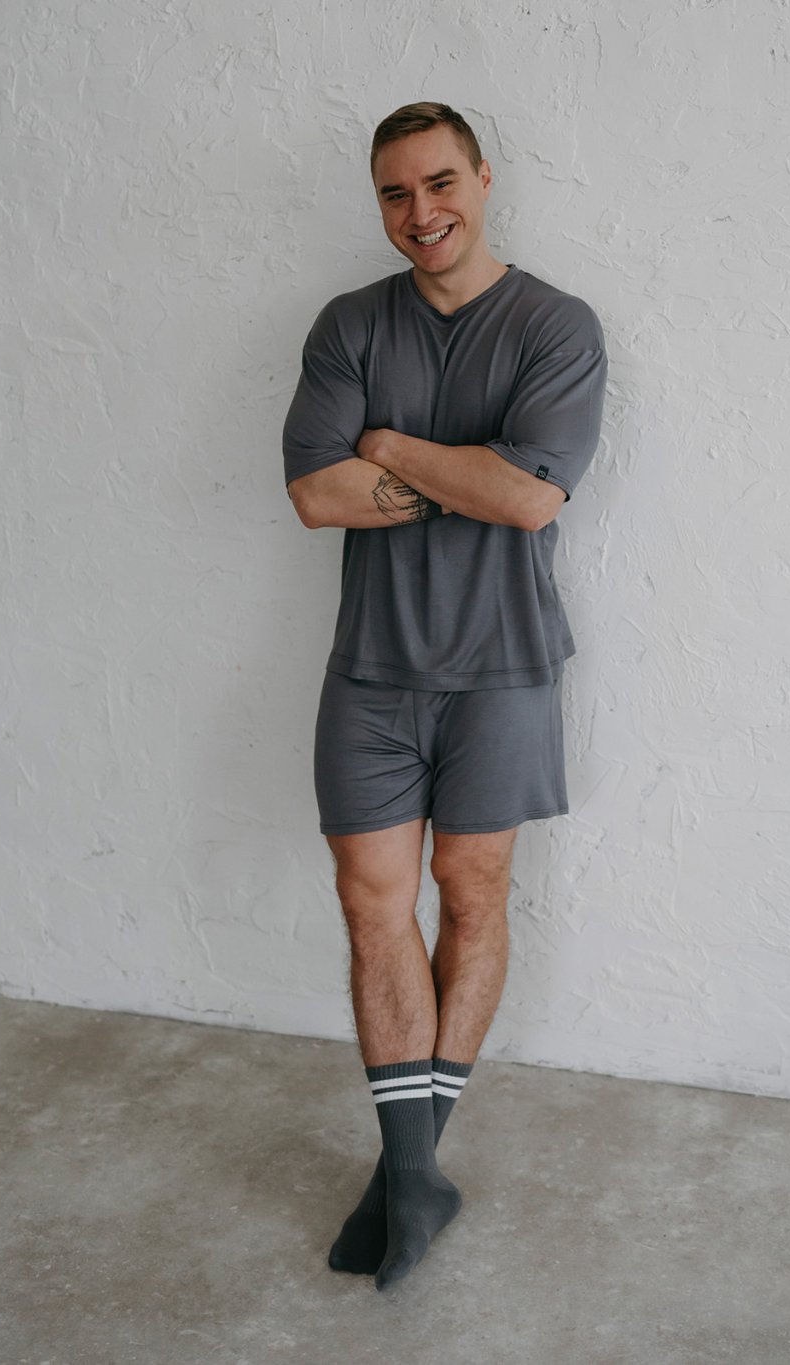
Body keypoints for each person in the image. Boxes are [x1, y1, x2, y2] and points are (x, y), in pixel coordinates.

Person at [281, 101, 607, 1291]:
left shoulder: (555, 326)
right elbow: (314, 496)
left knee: (471, 899)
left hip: (504, 669)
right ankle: (415, 1172)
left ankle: (408, 1171)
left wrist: (391, 447)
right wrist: (471, 470)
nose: (419, 213)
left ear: (481, 177)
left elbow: (529, 498)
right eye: (394, 193)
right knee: (371, 905)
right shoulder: (349, 324)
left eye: (438, 183)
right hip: (371, 670)